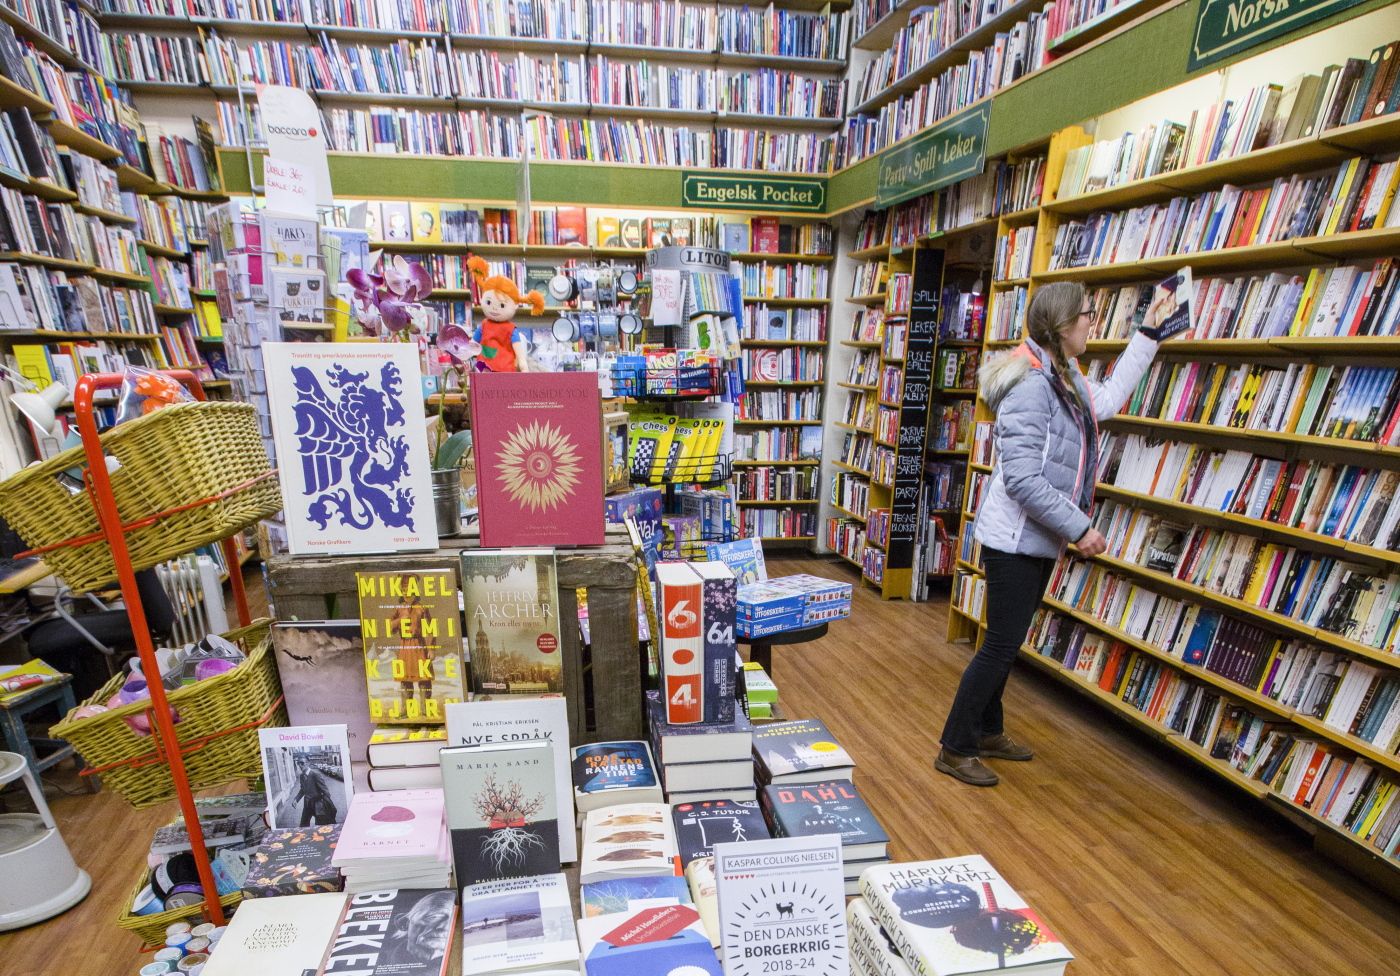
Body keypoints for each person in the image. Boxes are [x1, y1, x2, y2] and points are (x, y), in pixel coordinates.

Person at [936, 281, 1165, 787]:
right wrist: (1079, 527)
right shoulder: (1033, 384)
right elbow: (1022, 479)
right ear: (1063, 325)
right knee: (1000, 644)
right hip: (1014, 538)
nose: (1092, 322)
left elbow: (1102, 403)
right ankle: (955, 746)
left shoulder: (1063, 372)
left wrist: (1148, 336)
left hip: (1036, 537)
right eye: (1087, 314)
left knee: (1007, 642)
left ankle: (989, 732)